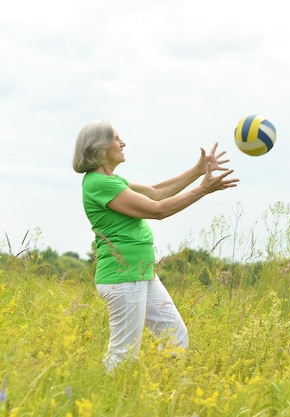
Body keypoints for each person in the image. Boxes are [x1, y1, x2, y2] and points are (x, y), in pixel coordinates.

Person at [72, 120, 239, 372]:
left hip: (141, 274)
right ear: (100, 147)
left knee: (175, 337)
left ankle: (164, 398)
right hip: (123, 276)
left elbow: (156, 191)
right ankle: (104, 401)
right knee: (123, 355)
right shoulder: (99, 183)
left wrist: (197, 170)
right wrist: (203, 189)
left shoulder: (111, 180)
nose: (123, 143)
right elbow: (158, 210)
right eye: (117, 139)